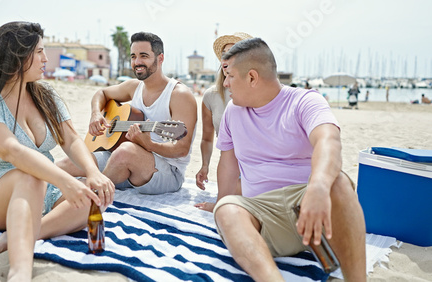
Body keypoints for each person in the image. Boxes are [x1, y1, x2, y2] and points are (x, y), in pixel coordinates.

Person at [0, 22, 114, 280]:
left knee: (91, 198)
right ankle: (20, 271)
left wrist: (92, 172)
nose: (46, 58)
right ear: (16, 56)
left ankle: (9, 238)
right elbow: (13, 153)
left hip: (42, 186)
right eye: (39, 51)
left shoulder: (45, 95)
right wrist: (64, 181)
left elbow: (71, 140)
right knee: (31, 176)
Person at [213, 38, 366, 281]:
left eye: (229, 75)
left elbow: (329, 141)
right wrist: (221, 200)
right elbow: (228, 163)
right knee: (227, 210)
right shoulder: (233, 111)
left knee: (337, 182)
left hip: (313, 204)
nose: (225, 83)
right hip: (264, 215)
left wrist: (318, 187)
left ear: (252, 77)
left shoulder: (305, 101)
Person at [57, 32, 197, 195]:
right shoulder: (133, 86)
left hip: (167, 171)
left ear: (160, 58)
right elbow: (101, 93)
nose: (137, 62)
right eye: (133, 56)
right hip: (124, 159)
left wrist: (149, 145)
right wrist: (96, 114)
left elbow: (182, 149)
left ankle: (93, 193)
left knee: (125, 151)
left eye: (144, 56)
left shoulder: (179, 95)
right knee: (71, 162)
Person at [194, 32, 252, 212]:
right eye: (225, 53)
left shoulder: (255, 91)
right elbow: (207, 138)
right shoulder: (211, 96)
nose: (228, 56)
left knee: (235, 203)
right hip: (228, 165)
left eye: (234, 51)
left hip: (254, 163)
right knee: (231, 202)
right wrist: (204, 165)